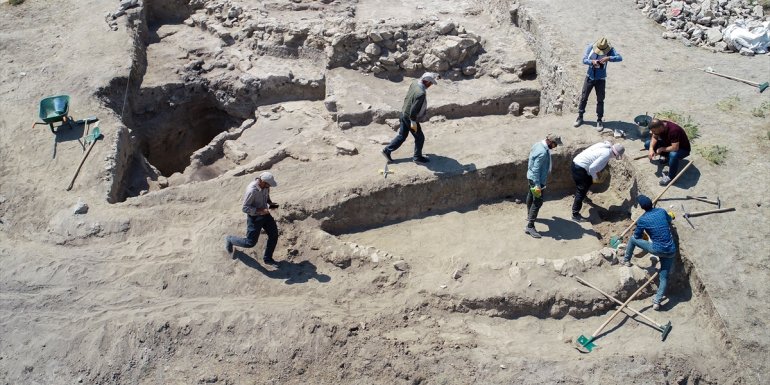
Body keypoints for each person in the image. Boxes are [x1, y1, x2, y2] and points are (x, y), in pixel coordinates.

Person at [621, 195, 677, 311]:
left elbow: (637, 236)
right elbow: (670, 219)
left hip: (657, 249)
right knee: (664, 276)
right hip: (671, 250)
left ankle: (626, 260)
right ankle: (656, 302)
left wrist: (644, 229)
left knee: (632, 239)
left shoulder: (642, 219)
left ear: (642, 207)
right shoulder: (661, 211)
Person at [225, 171, 280, 265]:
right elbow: (245, 208)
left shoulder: (265, 186)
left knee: (274, 235)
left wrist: (270, 203)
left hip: (266, 215)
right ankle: (230, 239)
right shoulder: (252, 190)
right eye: (268, 185)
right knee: (250, 243)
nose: (269, 187)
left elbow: (266, 195)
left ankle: (268, 259)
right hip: (255, 218)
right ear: (263, 182)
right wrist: (260, 211)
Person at [382, 72, 439, 164]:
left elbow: (409, 97)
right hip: (410, 118)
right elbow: (414, 110)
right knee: (420, 137)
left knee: (402, 136)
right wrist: (413, 121)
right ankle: (417, 157)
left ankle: (387, 150)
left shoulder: (414, 83)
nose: (431, 85)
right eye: (431, 83)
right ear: (427, 82)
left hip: (404, 113)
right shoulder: (421, 94)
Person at [573, 37, 623, 131]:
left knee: (600, 100)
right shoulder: (591, 47)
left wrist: (609, 58)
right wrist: (592, 62)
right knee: (584, 97)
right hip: (589, 77)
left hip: (601, 79)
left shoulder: (610, 50)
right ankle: (580, 116)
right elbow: (584, 59)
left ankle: (599, 119)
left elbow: (620, 58)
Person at [571, 141, 624, 222]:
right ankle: (575, 215)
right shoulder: (606, 155)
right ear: (615, 154)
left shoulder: (605, 146)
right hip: (580, 168)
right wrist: (595, 178)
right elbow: (592, 168)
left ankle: (584, 197)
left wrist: (595, 175)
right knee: (581, 190)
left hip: (580, 164)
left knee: (588, 181)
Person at [524, 134, 563, 238]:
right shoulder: (542, 152)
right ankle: (530, 226)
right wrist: (537, 185)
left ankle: (529, 216)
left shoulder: (538, 145)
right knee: (537, 202)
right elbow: (536, 169)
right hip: (536, 181)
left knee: (531, 196)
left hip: (531, 177)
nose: (555, 147)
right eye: (555, 144)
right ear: (550, 141)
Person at [646, 118, 691, 186]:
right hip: (669, 144)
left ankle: (671, 177)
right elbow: (654, 137)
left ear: (660, 127)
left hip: (682, 149)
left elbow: (675, 148)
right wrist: (651, 148)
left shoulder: (673, 130)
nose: (653, 133)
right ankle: (665, 157)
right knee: (647, 144)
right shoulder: (660, 126)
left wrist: (661, 149)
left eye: (654, 131)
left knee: (673, 155)